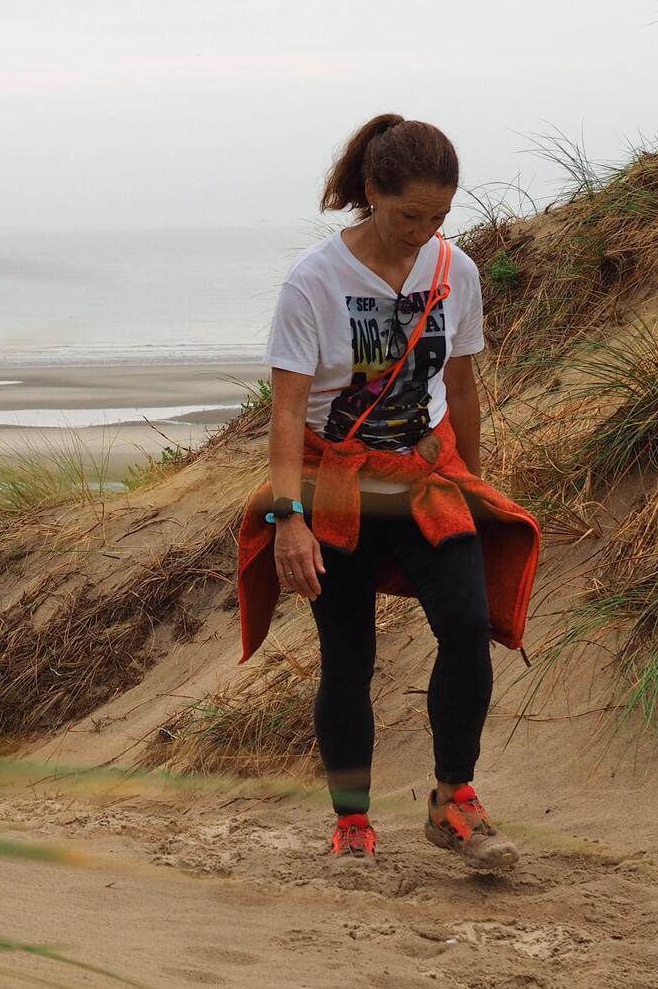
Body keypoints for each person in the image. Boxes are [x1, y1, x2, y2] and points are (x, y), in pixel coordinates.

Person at [261, 113, 521, 872]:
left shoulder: (454, 270)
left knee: (468, 627)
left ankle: (453, 798)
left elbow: (462, 388)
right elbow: (285, 410)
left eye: (439, 216)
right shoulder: (314, 282)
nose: (423, 231)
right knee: (348, 657)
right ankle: (351, 822)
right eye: (410, 215)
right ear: (372, 193)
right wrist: (289, 521)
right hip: (334, 486)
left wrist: (469, 483)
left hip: (421, 478)